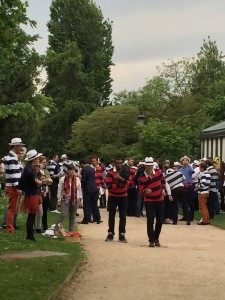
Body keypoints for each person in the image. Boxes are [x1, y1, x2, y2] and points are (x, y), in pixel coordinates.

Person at [138, 157, 166, 247]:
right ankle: (151, 239)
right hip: (149, 200)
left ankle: (156, 237)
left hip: (159, 199)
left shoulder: (159, 172)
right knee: (150, 220)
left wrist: (164, 189)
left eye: (151, 166)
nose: (150, 167)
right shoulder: (142, 177)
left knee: (160, 220)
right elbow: (141, 190)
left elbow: (163, 181)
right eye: (148, 166)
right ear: (145, 166)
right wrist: (146, 190)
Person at [19, 149, 42, 241]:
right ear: (34, 159)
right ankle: (30, 236)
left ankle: (30, 235)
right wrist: (39, 182)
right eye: (37, 158)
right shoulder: (29, 171)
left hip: (30, 193)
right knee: (32, 215)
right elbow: (34, 182)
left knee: (31, 215)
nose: (38, 159)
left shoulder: (28, 169)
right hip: (32, 194)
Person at [105, 158, 131, 243]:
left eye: (121, 163)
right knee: (111, 216)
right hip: (112, 196)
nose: (119, 165)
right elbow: (108, 185)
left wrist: (120, 178)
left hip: (123, 196)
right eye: (117, 163)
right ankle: (110, 233)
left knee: (123, 216)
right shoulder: (110, 172)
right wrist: (120, 185)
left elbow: (129, 182)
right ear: (114, 164)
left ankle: (122, 234)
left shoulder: (126, 172)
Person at [1, 146, 26, 229]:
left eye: (22, 153)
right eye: (20, 153)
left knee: (15, 207)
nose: (21, 155)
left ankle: (12, 224)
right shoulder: (11, 160)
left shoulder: (20, 163)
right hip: (14, 186)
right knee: (12, 207)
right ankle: (8, 225)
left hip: (17, 185)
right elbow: (9, 174)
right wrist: (6, 185)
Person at [55, 164, 82, 232]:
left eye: (73, 170)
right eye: (70, 170)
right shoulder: (63, 179)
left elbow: (79, 189)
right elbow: (60, 189)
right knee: (63, 213)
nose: (72, 171)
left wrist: (81, 198)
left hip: (75, 199)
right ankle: (56, 229)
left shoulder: (77, 179)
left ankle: (71, 231)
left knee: (73, 215)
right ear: (67, 171)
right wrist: (59, 199)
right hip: (65, 199)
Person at [78, 158, 101, 224]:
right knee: (94, 204)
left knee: (86, 204)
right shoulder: (92, 169)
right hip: (94, 187)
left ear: (82, 164)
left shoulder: (84, 169)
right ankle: (97, 218)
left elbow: (84, 180)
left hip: (88, 188)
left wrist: (82, 184)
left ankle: (86, 219)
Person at [38, 156, 53, 231]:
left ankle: (45, 226)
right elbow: (39, 181)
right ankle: (38, 226)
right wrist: (47, 180)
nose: (45, 164)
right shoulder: (37, 172)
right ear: (39, 163)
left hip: (46, 192)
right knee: (39, 211)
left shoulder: (46, 171)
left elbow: (51, 181)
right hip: (40, 193)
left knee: (45, 210)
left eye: (45, 162)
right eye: (43, 162)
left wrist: (44, 180)